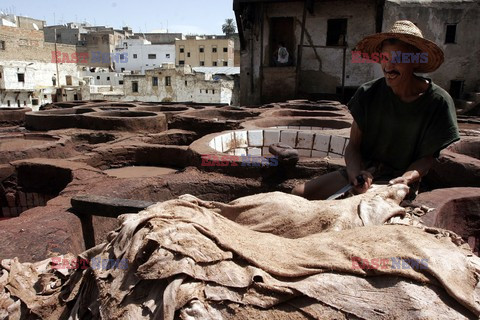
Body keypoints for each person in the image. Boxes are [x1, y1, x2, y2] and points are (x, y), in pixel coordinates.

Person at [292, 20, 460, 200]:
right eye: (385, 58)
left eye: (398, 59)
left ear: (414, 61)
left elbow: (427, 159)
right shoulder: (368, 93)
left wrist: (406, 178)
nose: (388, 67)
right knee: (298, 194)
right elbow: (353, 146)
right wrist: (356, 175)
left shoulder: (438, 102)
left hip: (398, 182)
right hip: (365, 173)